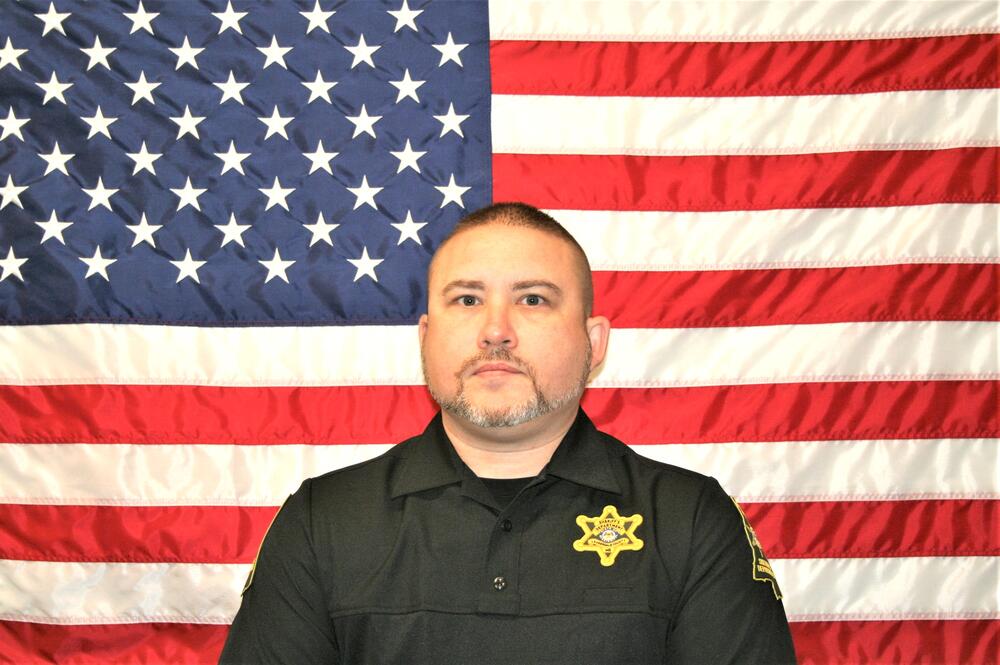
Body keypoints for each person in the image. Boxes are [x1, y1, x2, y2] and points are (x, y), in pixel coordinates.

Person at [219, 202, 797, 664]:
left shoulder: (691, 521)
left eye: (533, 299)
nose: (496, 331)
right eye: (467, 300)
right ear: (425, 337)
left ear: (594, 345)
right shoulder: (324, 520)